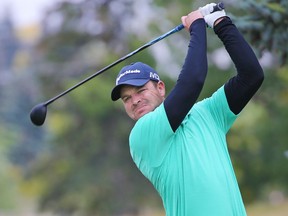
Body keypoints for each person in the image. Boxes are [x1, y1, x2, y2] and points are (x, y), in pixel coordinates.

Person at [111, 3, 264, 216]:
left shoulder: (208, 113)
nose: (134, 101)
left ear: (160, 88)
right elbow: (192, 82)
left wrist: (221, 23)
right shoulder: (142, 135)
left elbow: (251, 76)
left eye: (140, 90)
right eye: (126, 98)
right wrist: (197, 26)